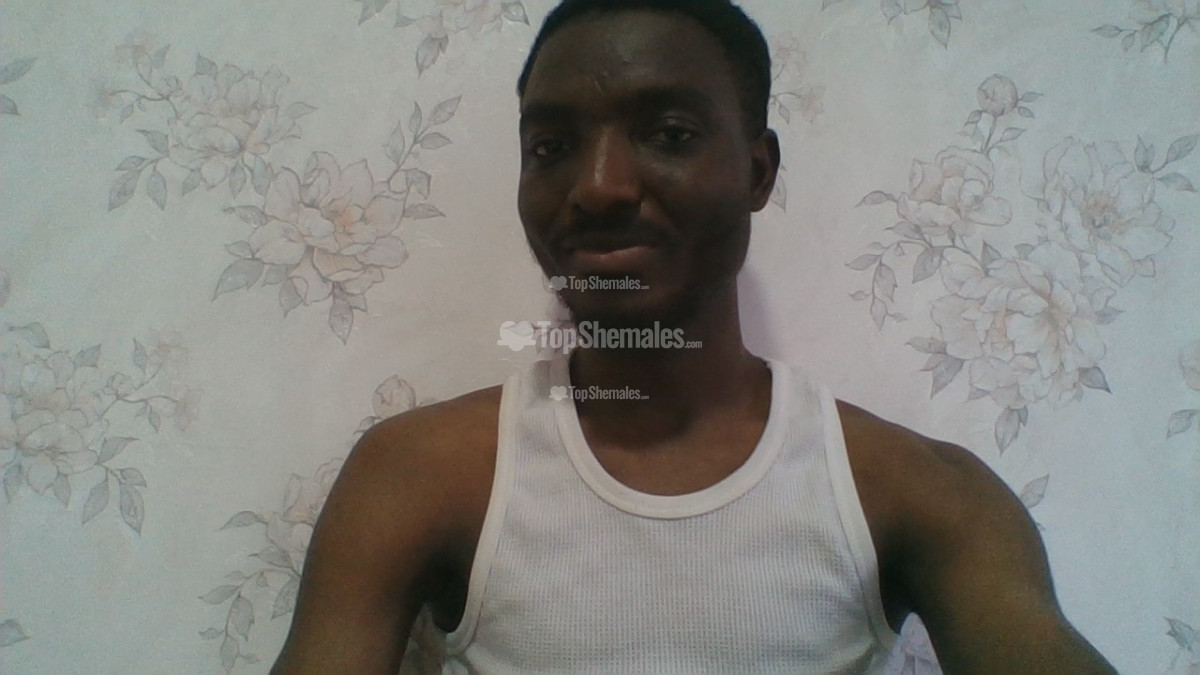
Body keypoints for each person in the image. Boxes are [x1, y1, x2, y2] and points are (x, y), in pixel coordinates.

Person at [272, 0, 1118, 672]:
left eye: (669, 134)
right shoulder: (419, 474)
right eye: (552, 146)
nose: (598, 186)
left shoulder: (914, 492)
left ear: (758, 170)